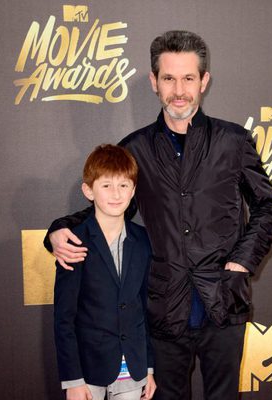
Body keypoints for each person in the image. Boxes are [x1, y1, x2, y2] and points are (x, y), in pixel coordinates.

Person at [46, 31, 272, 400]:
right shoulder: (135, 149)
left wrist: (241, 262)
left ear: (204, 81)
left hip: (223, 303)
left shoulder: (233, 141)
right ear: (155, 82)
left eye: (189, 78)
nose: (179, 90)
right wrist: (59, 230)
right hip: (162, 310)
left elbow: (269, 206)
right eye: (169, 78)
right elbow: (110, 207)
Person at [53, 144, 156, 400]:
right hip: (88, 372)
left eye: (123, 185)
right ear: (89, 190)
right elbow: (64, 319)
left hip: (133, 369)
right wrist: (72, 380)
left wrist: (149, 368)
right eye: (106, 185)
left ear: (133, 190)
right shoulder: (73, 243)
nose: (116, 194)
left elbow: (143, 308)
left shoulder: (143, 240)